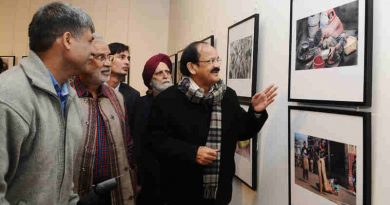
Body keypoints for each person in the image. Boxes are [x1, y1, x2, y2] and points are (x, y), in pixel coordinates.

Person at [148, 41, 277, 205]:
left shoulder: (227, 96)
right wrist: (192, 152)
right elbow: (155, 142)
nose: (217, 66)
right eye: (210, 61)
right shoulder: (167, 100)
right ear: (192, 67)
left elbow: (243, 131)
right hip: (179, 193)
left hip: (219, 194)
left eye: (218, 60)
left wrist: (256, 112)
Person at [0, 2, 95, 204]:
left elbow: (64, 179)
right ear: (68, 40)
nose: (93, 51)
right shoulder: (8, 96)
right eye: (89, 41)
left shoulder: (70, 98)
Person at [72, 36, 136, 205]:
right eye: (101, 57)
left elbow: (127, 143)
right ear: (82, 60)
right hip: (76, 193)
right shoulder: (66, 96)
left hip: (113, 192)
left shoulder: (116, 97)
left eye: (109, 57)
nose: (108, 63)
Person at [134, 53, 173, 205]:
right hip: (149, 177)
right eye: (159, 73)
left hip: (176, 177)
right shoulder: (141, 105)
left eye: (167, 72)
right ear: (150, 81)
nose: (165, 76)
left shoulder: (181, 102)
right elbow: (137, 142)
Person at [107, 42, 140, 135]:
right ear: (108, 59)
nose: (127, 62)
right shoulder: (94, 89)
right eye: (122, 57)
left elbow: (134, 133)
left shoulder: (133, 96)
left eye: (128, 58)